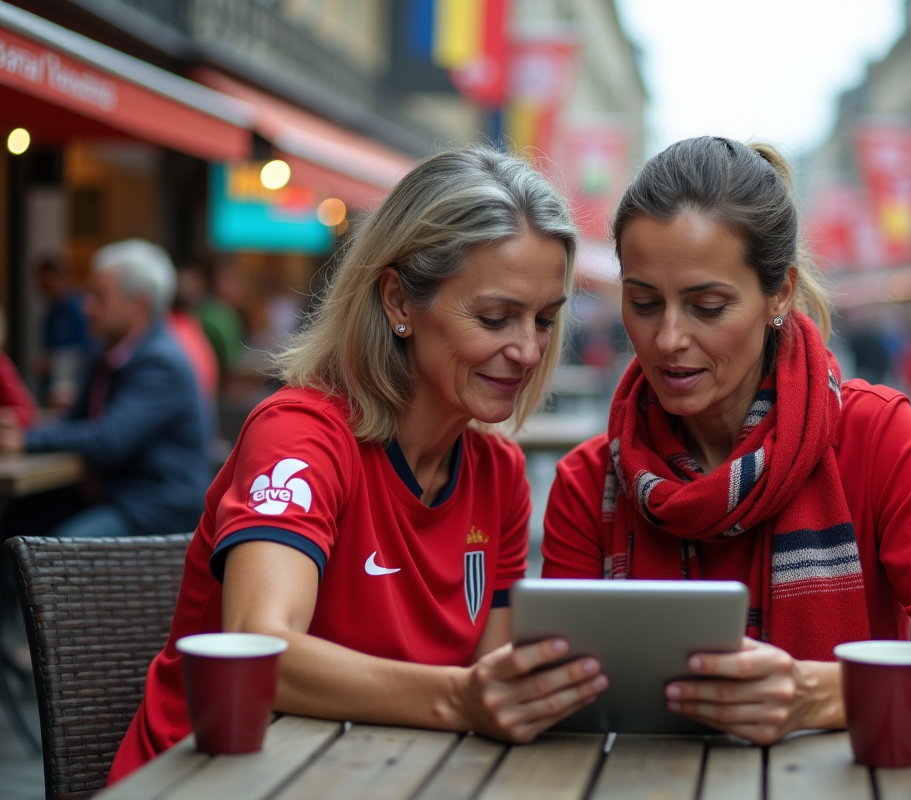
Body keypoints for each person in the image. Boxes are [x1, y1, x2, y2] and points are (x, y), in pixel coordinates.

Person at [108, 148, 604, 784]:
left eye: (545, 320)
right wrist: (458, 699)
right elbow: (259, 648)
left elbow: (493, 681)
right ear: (398, 301)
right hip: (213, 777)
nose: (529, 350)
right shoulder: (301, 434)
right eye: (495, 318)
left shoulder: (499, 474)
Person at [542, 137, 911, 745]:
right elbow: (562, 706)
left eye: (707, 307)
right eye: (643, 303)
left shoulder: (875, 434)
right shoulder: (587, 480)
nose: (668, 338)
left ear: (778, 294)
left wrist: (818, 694)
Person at [0, 240, 210, 540]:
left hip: (155, 509)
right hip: (112, 494)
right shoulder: (111, 353)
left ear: (138, 304)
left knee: (53, 548)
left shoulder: (161, 362)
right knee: (16, 522)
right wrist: (23, 429)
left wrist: (26, 439)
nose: (87, 307)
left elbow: (110, 439)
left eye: (99, 296)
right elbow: (74, 420)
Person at [36, 258, 93, 407]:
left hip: (78, 391)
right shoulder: (50, 315)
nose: (42, 286)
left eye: (47, 281)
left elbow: (90, 352)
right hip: (54, 392)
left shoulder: (82, 308)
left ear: (60, 277)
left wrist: (54, 362)